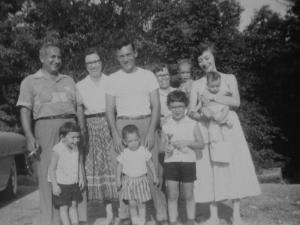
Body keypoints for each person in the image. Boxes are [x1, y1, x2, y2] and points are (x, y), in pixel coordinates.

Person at [189, 42, 261, 225]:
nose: (204, 63)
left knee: (234, 167)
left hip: (229, 127)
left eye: (207, 58)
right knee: (210, 169)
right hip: (208, 127)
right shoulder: (197, 84)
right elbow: (191, 111)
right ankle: (213, 215)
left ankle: (235, 214)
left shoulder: (229, 78)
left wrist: (212, 97)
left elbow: (236, 102)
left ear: (213, 56)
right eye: (200, 60)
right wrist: (204, 115)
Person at [17, 41, 87, 225]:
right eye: (52, 57)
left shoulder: (69, 80)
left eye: (59, 57)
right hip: (45, 128)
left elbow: (79, 107)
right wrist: (29, 136)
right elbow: (24, 110)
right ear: (42, 58)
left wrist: (82, 129)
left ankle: (76, 219)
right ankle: (50, 220)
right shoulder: (30, 81)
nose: (57, 61)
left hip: (71, 127)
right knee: (49, 173)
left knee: (74, 171)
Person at [106, 35, 168, 225]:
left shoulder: (148, 75)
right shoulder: (113, 78)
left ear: (135, 53)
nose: (126, 59)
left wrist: (150, 131)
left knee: (152, 170)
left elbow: (156, 106)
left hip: (146, 123)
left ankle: (161, 216)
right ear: (117, 58)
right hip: (123, 125)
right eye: (121, 56)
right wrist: (116, 135)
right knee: (125, 171)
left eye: (129, 54)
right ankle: (125, 217)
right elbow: (109, 110)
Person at [76, 47, 118, 224]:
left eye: (96, 61)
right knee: (92, 169)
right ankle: (86, 215)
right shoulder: (80, 85)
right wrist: (82, 131)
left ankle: (114, 213)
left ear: (101, 63)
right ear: (86, 66)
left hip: (110, 124)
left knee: (112, 166)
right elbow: (79, 110)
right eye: (89, 63)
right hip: (90, 126)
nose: (93, 65)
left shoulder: (111, 80)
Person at [161, 90, 204, 225]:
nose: (177, 110)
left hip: (187, 163)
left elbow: (201, 144)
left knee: (188, 194)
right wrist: (166, 148)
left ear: (185, 106)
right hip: (171, 163)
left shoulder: (192, 123)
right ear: (169, 107)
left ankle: (191, 220)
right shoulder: (166, 124)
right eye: (173, 107)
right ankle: (173, 221)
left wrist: (188, 142)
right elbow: (162, 146)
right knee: (172, 195)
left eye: (180, 107)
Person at [116, 124, 159, 225]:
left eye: (135, 140)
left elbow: (151, 164)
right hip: (128, 181)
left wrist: (155, 176)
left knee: (142, 204)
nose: (134, 143)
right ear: (124, 142)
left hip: (141, 181)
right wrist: (118, 180)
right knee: (132, 203)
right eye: (130, 141)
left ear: (139, 139)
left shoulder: (143, 150)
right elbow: (119, 167)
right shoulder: (124, 152)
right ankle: (135, 221)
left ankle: (142, 221)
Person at [48, 122, 85, 225]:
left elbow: (77, 164)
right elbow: (51, 169)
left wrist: (81, 178)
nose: (76, 140)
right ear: (62, 137)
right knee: (63, 207)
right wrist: (55, 185)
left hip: (73, 183)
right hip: (62, 184)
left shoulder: (75, 148)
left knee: (73, 205)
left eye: (78, 137)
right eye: (73, 138)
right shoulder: (57, 150)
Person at [194, 71, 233, 163]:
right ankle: (220, 119)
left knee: (226, 107)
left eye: (217, 86)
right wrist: (195, 109)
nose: (215, 88)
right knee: (205, 110)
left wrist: (226, 93)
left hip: (220, 109)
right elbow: (200, 105)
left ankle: (223, 119)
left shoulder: (221, 91)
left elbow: (229, 94)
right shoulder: (204, 93)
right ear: (207, 85)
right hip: (211, 112)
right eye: (212, 86)